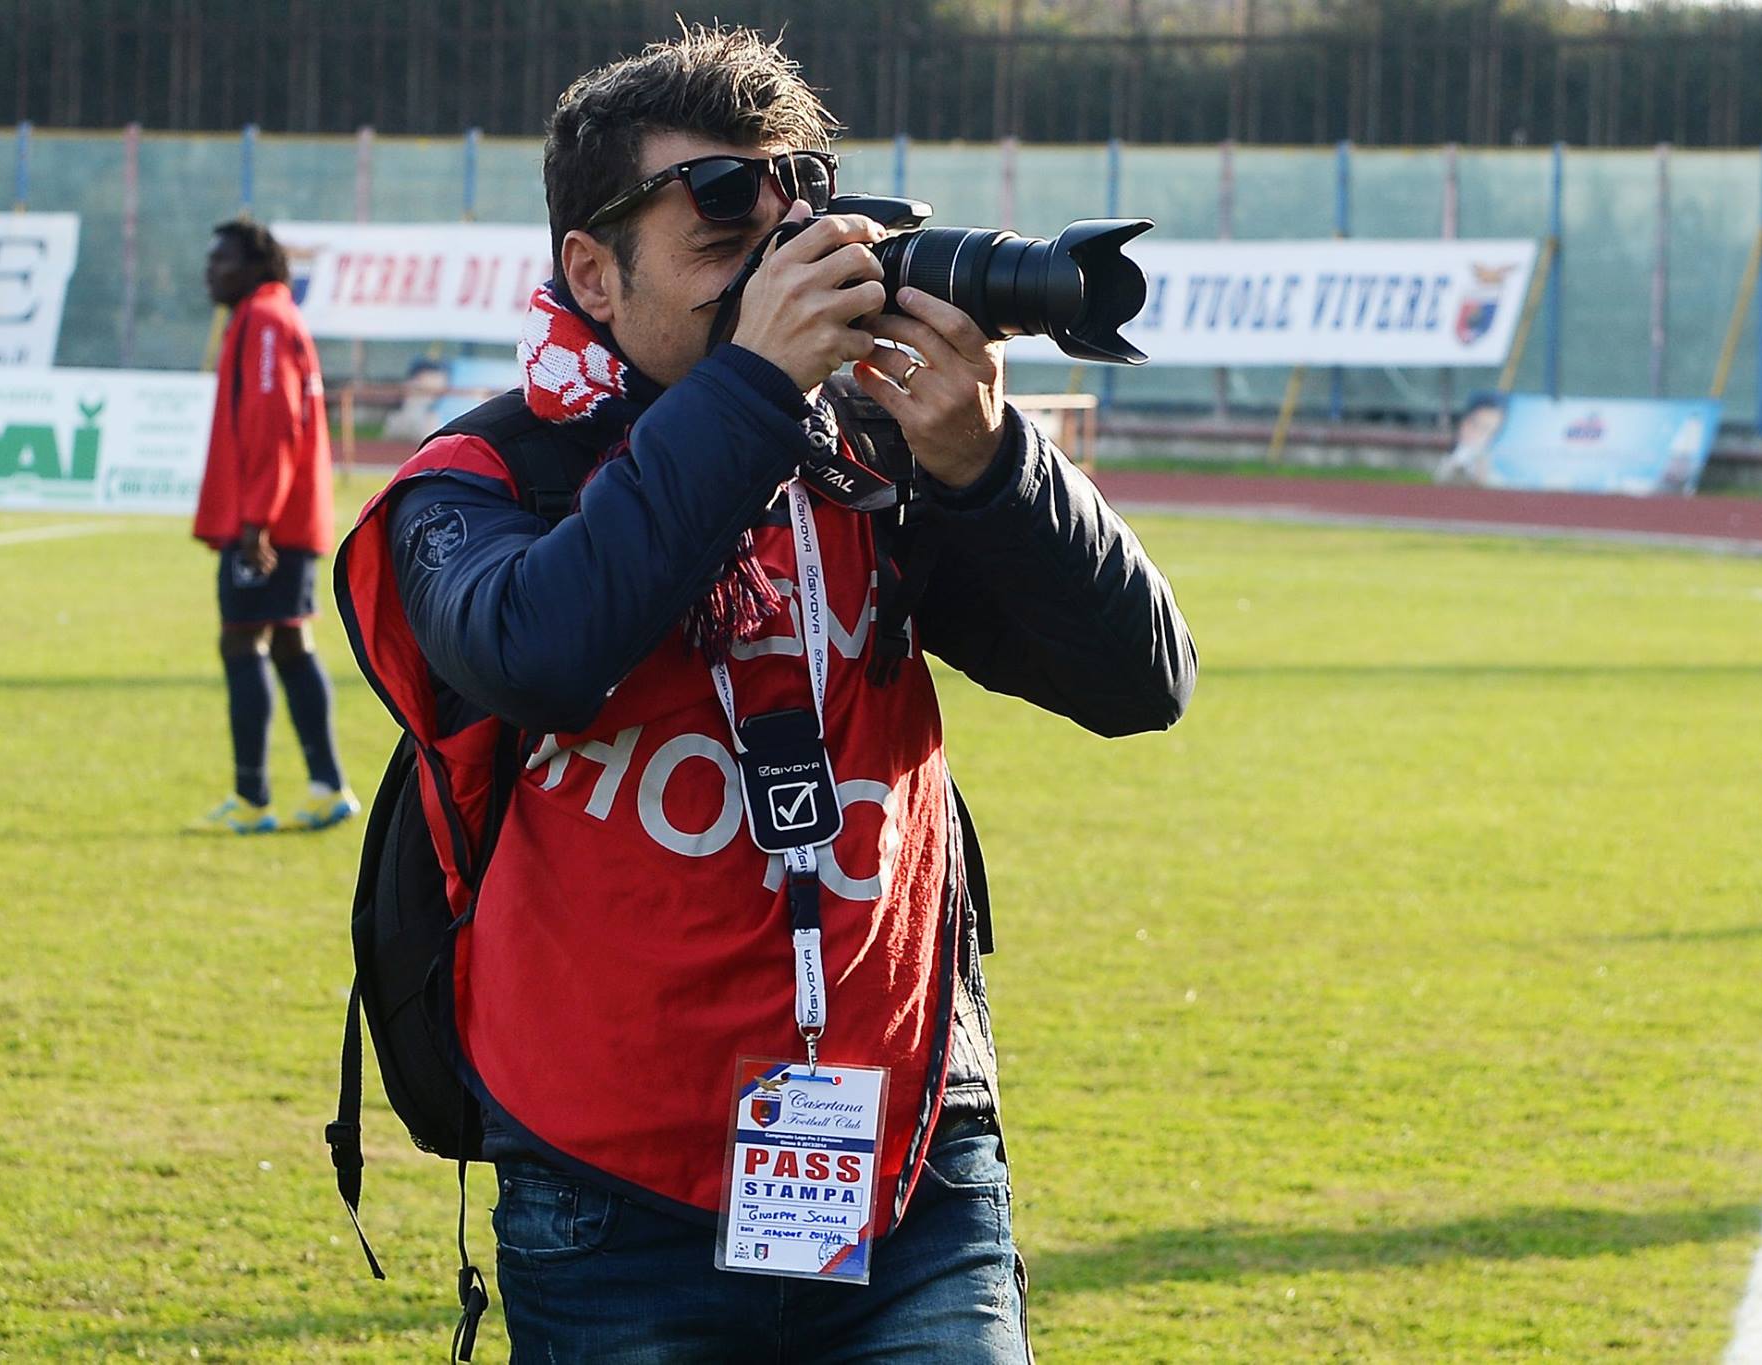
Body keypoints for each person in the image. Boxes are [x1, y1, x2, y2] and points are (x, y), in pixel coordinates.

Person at [336, 26, 1194, 1363]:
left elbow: (1140, 680)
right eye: (720, 221)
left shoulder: (873, 463)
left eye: (798, 209)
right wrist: (753, 384)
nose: (781, 264)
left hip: (910, 1166)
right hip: (608, 1192)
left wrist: (984, 461)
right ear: (592, 272)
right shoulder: (482, 481)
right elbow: (537, 651)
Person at [192, 219, 358, 834]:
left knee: (241, 640)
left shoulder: (263, 321)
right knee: (287, 641)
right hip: (286, 516)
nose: (211, 270)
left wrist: (255, 521)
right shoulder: (273, 315)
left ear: (254, 267)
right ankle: (326, 786)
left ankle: (252, 798)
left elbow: (273, 422)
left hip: (269, 521)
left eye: (223, 260)